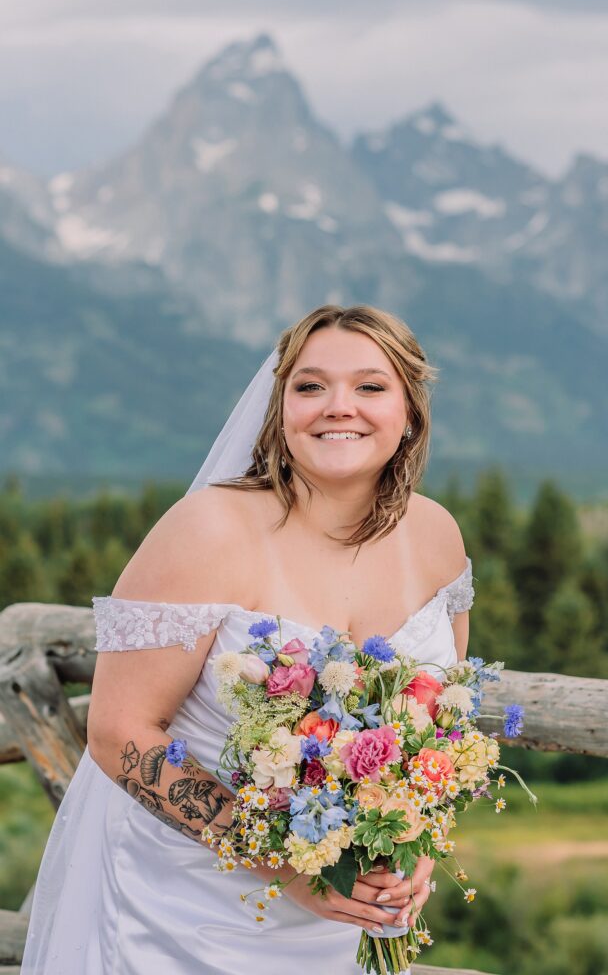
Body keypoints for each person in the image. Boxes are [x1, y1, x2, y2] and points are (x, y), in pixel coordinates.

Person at [21, 304, 475, 974]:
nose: (336, 406)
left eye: (370, 387)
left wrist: (411, 851)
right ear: (280, 408)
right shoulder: (208, 530)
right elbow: (120, 730)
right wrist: (287, 866)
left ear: (410, 410)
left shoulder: (437, 537)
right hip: (187, 915)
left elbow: (440, 724)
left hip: (348, 925)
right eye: (310, 386)